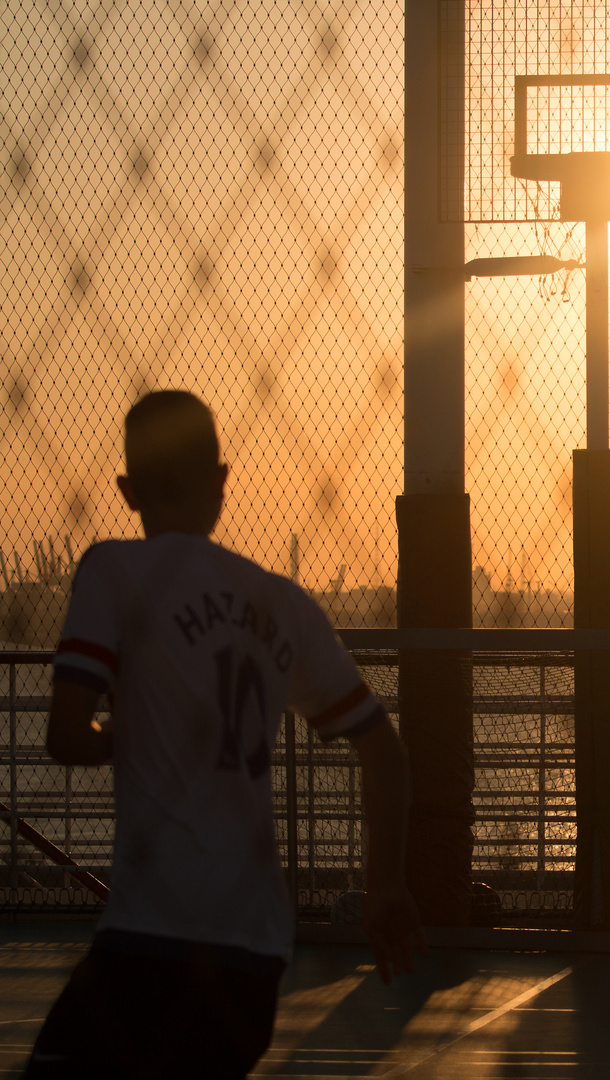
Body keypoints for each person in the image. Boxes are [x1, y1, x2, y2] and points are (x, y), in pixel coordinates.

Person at [25, 391, 426, 1078]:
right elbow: (384, 752)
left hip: (150, 939)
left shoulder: (114, 571)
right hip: (255, 949)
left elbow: (66, 734)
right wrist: (383, 884)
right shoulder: (283, 603)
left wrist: (120, 736)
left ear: (127, 491)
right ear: (222, 480)